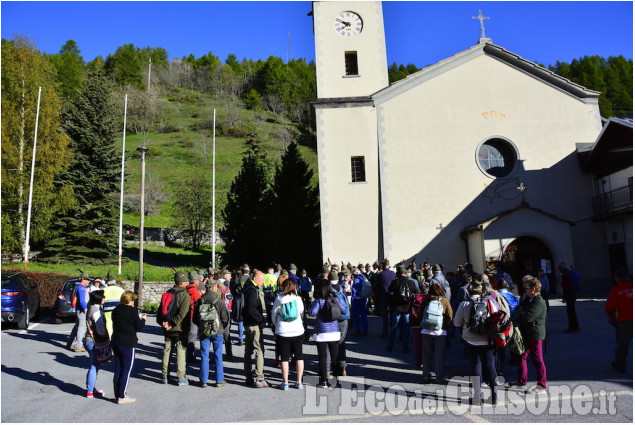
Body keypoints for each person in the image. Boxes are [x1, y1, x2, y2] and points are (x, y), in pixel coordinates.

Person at [453, 280, 500, 405]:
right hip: (488, 339)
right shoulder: (490, 301)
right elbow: (498, 318)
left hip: (471, 339)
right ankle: (494, 396)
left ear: (469, 291)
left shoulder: (464, 304)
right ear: (481, 291)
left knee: (476, 366)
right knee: (490, 366)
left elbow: (456, 323)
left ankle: (477, 397)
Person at [509, 277, 548, 393]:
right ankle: (522, 382)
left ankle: (542, 384)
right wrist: (521, 313)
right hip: (526, 333)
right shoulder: (529, 300)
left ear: (534, 289)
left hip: (535, 335)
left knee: (537, 359)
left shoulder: (539, 302)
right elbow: (519, 311)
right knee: (521, 356)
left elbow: (527, 318)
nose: (525, 290)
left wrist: (521, 314)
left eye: (527, 288)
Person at [309, 278, 349, 388]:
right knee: (335, 357)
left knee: (323, 357)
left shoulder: (319, 300)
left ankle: (324, 381)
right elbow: (345, 310)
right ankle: (336, 381)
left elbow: (312, 313)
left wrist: (311, 304)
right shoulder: (335, 298)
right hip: (334, 332)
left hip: (321, 332)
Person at [111, 291, 146, 404]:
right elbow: (139, 326)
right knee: (126, 369)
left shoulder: (116, 310)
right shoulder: (132, 311)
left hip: (116, 341)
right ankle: (122, 395)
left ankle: (117, 394)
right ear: (130, 300)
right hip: (128, 342)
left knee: (118, 369)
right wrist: (143, 319)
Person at [194, 279, 230, 388]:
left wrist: (201, 327)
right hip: (217, 331)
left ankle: (203, 380)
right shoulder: (219, 301)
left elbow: (195, 319)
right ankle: (219, 380)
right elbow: (225, 318)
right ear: (213, 288)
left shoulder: (200, 301)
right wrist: (221, 328)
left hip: (204, 332)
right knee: (218, 355)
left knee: (204, 355)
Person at [271, 278, 305, 390]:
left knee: (284, 358)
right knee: (299, 356)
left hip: (283, 331)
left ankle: (285, 383)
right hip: (297, 330)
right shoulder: (298, 299)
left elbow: (273, 314)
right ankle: (299, 382)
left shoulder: (279, 298)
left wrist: (277, 325)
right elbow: (301, 313)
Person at [160, 271, 191, 386]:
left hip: (167, 327)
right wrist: (172, 323)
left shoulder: (168, 292)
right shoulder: (185, 295)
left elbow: (161, 310)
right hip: (179, 328)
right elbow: (182, 313)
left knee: (167, 351)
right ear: (182, 282)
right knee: (181, 351)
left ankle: (164, 376)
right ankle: (181, 377)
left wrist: (164, 323)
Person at [419, 283, 453, 384]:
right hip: (440, 332)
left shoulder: (426, 300)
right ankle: (439, 377)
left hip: (426, 331)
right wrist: (445, 327)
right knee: (439, 356)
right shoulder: (444, 301)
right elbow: (450, 316)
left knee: (426, 355)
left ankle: (426, 375)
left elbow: (420, 314)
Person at [243, 270, 268, 388]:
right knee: (259, 350)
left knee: (248, 351)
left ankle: (248, 377)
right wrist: (261, 320)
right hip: (253, 324)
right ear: (256, 278)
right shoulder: (253, 290)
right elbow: (251, 309)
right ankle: (259, 378)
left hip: (247, 323)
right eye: (262, 280)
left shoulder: (246, 287)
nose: (263, 282)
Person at [605, 267, 633, 373]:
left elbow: (608, 307)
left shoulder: (617, 290)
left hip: (624, 321)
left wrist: (611, 316)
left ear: (617, 278)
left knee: (622, 345)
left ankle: (621, 365)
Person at [83, 290, 107, 398]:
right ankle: (90, 391)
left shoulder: (90, 308)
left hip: (88, 340)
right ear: (99, 299)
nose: (104, 299)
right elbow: (101, 330)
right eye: (103, 297)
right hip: (94, 341)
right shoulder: (96, 311)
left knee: (94, 365)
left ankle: (91, 388)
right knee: (94, 365)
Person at [387, 265, 416, 353]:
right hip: (407, 307)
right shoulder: (412, 282)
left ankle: (390, 346)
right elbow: (416, 291)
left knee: (394, 327)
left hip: (397, 307)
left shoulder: (395, 282)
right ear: (405, 273)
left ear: (398, 274)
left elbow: (389, 289)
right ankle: (405, 348)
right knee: (406, 328)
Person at [68, 273, 91, 351]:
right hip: (81, 311)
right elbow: (82, 301)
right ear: (82, 280)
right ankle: (79, 346)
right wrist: (85, 309)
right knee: (82, 327)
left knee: (77, 326)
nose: (88, 281)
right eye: (87, 280)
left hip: (79, 310)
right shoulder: (81, 288)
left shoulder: (78, 287)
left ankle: (70, 343)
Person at [376, 259, 396, 338]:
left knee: (384, 315)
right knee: (392, 314)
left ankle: (385, 333)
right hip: (391, 295)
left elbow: (377, 285)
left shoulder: (380, 274)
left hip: (383, 295)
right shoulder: (393, 273)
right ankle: (392, 333)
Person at [186, 271, 203, 363]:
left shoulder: (187, 288)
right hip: (193, 315)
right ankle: (190, 356)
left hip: (187, 315)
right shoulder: (194, 290)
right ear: (196, 281)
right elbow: (200, 302)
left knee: (188, 334)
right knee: (192, 335)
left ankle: (187, 354)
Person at [559, 262, 580, 333]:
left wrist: (564, 297)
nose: (559, 269)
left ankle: (571, 327)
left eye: (559, 267)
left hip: (569, 294)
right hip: (573, 293)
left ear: (562, 267)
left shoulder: (565, 275)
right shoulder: (569, 272)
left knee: (570, 311)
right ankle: (576, 326)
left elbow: (565, 287)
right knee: (572, 311)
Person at [351, 268, 369, 336]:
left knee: (356, 315)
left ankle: (358, 330)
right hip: (364, 298)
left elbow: (355, 290)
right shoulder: (364, 278)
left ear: (356, 273)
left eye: (353, 273)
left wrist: (353, 299)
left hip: (357, 299)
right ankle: (365, 330)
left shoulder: (357, 279)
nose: (352, 275)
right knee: (364, 315)